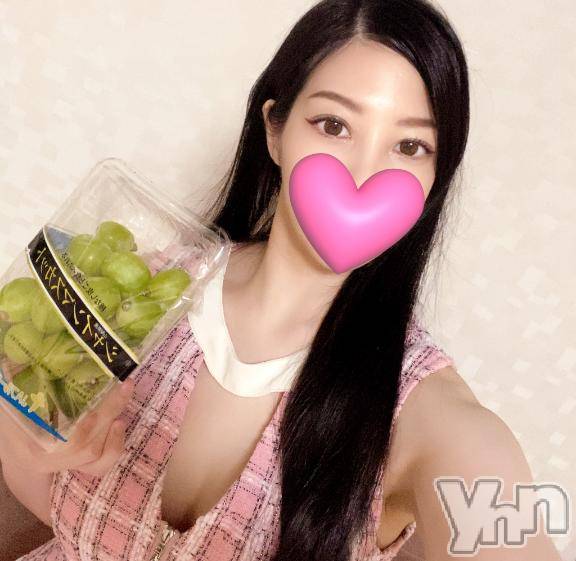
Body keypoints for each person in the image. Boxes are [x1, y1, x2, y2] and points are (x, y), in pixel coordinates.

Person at [0, 0, 562, 560]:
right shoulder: (142, 292)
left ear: (435, 176)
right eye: (334, 125)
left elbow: (496, 508)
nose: (363, 174)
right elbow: (51, 506)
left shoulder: (428, 412)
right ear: (275, 130)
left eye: (410, 146)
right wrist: (31, 438)